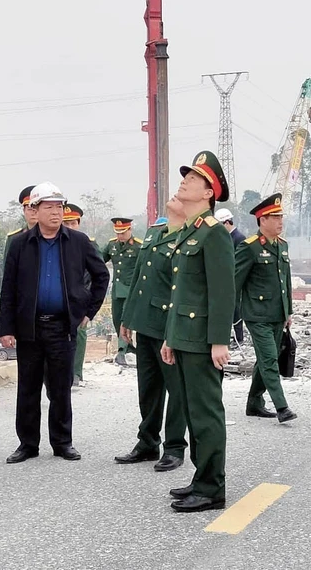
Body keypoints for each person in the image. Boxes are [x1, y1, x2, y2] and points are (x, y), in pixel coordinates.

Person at [0, 182, 109, 464]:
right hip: (29, 327)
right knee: (28, 388)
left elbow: (101, 277)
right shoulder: (21, 244)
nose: (56, 213)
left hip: (62, 327)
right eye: (49, 207)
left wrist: (88, 311)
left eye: (59, 206)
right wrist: (6, 328)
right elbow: (8, 287)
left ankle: (62, 442)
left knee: (61, 388)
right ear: (34, 210)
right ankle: (27, 444)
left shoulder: (79, 242)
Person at [160, 150, 235, 513]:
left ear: (209, 192)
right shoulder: (191, 231)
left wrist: (220, 340)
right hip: (185, 338)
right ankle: (200, 477)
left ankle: (212, 488)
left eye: (193, 178)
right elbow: (180, 291)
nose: (185, 180)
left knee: (206, 414)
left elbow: (222, 292)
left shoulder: (214, 235)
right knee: (192, 412)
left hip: (205, 341)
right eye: (186, 175)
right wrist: (170, 337)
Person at [115, 196, 188, 473]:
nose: (174, 197)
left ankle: (174, 447)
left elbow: (184, 288)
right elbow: (138, 278)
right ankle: (147, 442)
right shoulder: (156, 233)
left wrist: (175, 331)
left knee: (176, 389)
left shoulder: (189, 237)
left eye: (180, 197)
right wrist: (127, 318)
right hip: (145, 323)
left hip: (169, 325)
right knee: (148, 388)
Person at [234, 193, 296, 423]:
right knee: (269, 358)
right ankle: (282, 407)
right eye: (275, 217)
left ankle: (254, 402)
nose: (280, 221)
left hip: (277, 314)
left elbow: (285, 281)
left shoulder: (282, 245)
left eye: (281, 216)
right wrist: (229, 317)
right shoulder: (249, 247)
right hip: (256, 314)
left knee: (265, 358)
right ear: (262, 220)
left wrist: (288, 311)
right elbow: (234, 282)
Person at [62, 202, 99, 385]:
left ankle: (76, 373)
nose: (70, 227)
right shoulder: (54, 242)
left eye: (73, 223)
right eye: (66, 223)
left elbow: (98, 276)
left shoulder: (88, 244)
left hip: (81, 298)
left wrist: (90, 305)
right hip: (60, 300)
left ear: (79, 223)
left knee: (79, 334)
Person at [102, 218, 142, 366]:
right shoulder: (112, 245)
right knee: (117, 319)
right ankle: (129, 347)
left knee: (125, 320)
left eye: (123, 233)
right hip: (117, 290)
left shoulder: (138, 246)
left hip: (131, 290)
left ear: (130, 230)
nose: (120, 236)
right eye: (118, 233)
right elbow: (99, 259)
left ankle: (121, 351)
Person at [216, 207, 246, 347]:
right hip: (225, 279)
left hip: (234, 280)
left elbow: (238, 262)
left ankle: (239, 337)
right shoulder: (226, 237)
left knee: (235, 309)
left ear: (227, 222)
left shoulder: (239, 238)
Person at [3, 185, 37, 262]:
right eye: (29, 209)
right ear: (24, 211)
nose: (33, 213)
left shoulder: (52, 236)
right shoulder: (13, 238)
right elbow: (7, 269)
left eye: (36, 209)